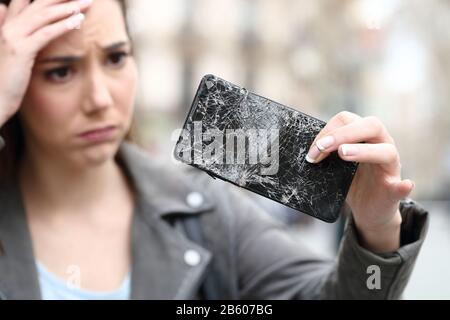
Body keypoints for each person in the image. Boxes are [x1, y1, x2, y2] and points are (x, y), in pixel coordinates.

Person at [0, 0, 428, 300]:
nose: (99, 98)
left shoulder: (206, 215)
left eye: (115, 59)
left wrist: (376, 232)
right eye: (60, 71)